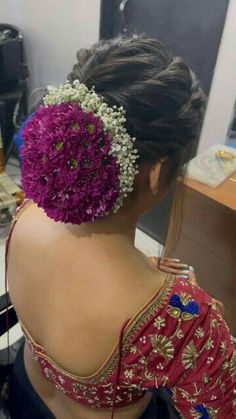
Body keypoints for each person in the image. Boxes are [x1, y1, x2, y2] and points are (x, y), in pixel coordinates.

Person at [5, 35, 235, 419]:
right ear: (158, 171)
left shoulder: (27, 213)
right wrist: (193, 329)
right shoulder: (183, 319)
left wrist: (142, 271)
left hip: (24, 392)